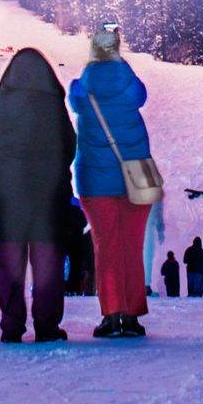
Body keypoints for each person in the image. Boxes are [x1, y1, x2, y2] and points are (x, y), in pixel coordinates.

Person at [0, 46, 76, 342]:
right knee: (47, 264)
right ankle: (46, 325)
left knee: (9, 264)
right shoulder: (54, 106)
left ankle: (11, 325)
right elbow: (70, 146)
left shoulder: (2, 105)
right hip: (48, 195)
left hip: (6, 195)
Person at [69, 22, 155, 338]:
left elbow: (74, 98)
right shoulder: (130, 83)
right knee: (132, 247)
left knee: (106, 247)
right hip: (137, 177)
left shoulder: (81, 88)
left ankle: (112, 317)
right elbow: (141, 95)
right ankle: (132, 317)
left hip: (96, 181)